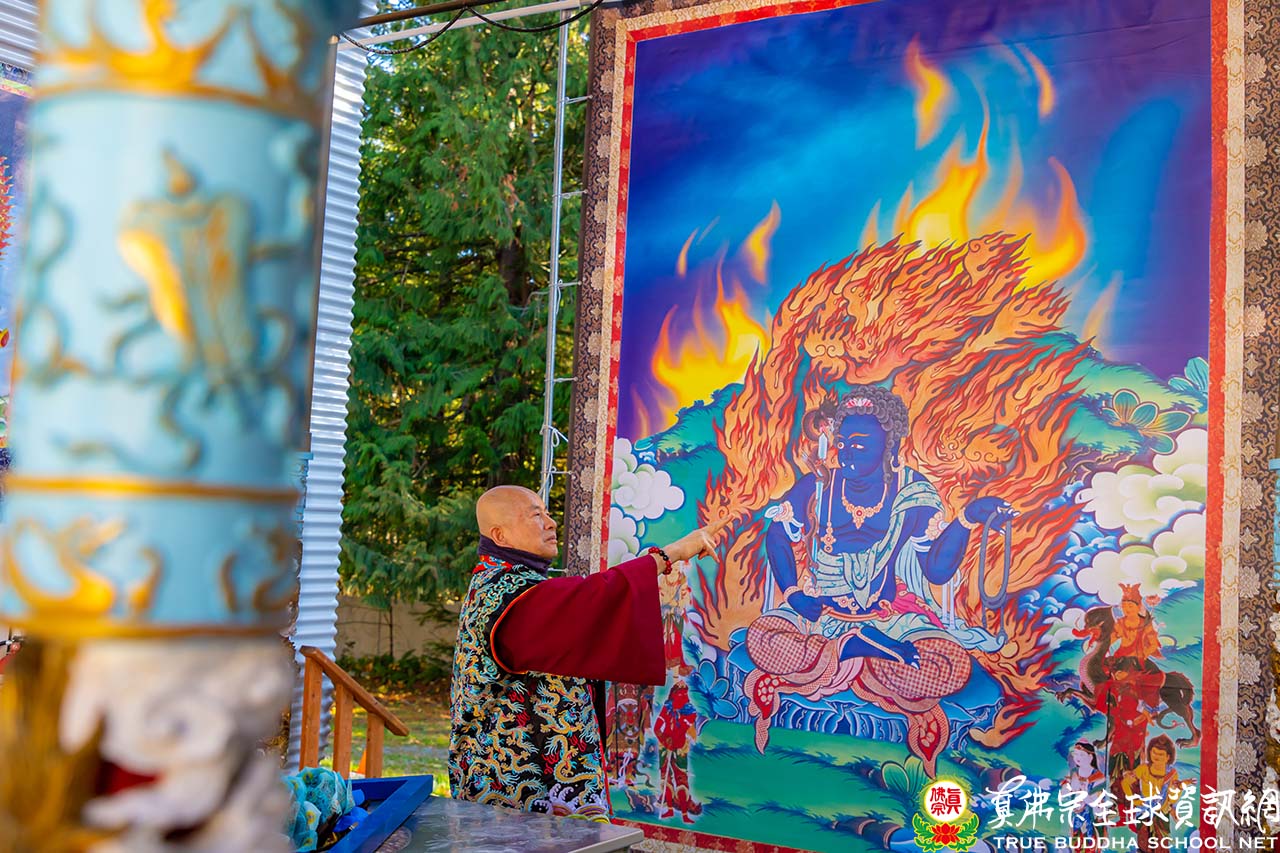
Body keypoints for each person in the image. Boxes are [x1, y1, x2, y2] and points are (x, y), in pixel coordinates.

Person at [448, 484, 724, 819]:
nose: (551, 523)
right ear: (500, 535)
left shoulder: (509, 585)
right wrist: (669, 555)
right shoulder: (506, 594)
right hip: (516, 790)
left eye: (547, 513)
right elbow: (592, 599)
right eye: (536, 515)